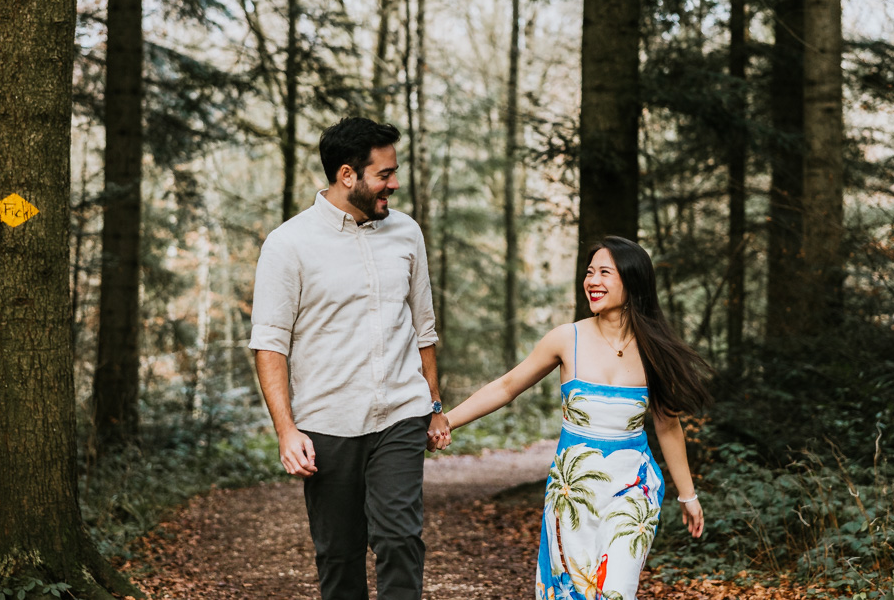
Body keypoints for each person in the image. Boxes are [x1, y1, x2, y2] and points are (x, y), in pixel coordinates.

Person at [443, 236, 711, 600]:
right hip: (573, 492)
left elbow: (667, 425)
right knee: (573, 592)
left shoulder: (654, 350)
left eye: (605, 272)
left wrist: (687, 495)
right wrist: (446, 421)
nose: (592, 281)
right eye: (589, 272)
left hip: (632, 491)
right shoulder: (565, 339)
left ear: (632, 282)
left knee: (616, 591)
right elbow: (506, 387)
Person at [250, 116, 451, 600]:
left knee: (399, 539)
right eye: (384, 174)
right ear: (347, 175)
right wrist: (286, 429)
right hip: (328, 422)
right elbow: (269, 343)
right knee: (339, 555)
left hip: (401, 413)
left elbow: (424, 326)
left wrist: (435, 405)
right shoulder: (288, 244)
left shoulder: (407, 233)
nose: (394, 184)